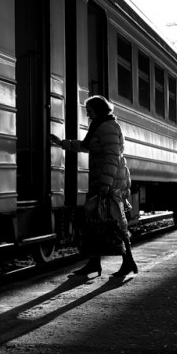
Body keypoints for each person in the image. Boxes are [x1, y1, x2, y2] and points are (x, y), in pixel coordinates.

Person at [51, 95, 138, 278]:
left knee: (115, 223)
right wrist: (62, 144)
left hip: (110, 183)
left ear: (98, 109)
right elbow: (86, 146)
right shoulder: (100, 125)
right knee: (95, 222)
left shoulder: (108, 127)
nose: (87, 114)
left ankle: (127, 261)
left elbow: (111, 157)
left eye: (89, 110)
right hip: (102, 180)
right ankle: (94, 263)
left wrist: (105, 185)